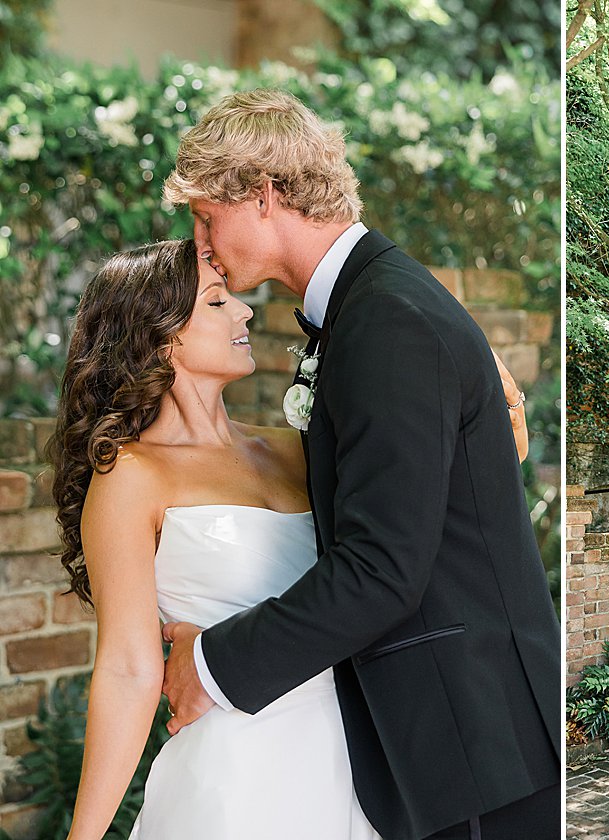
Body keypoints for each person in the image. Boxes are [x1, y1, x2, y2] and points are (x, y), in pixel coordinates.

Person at [158, 89, 561, 840]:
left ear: (264, 195)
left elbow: (382, 567)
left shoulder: (386, 319)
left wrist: (212, 666)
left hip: (475, 747)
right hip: (455, 744)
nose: (201, 243)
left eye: (207, 218)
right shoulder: (370, 308)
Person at [48, 241, 532, 840]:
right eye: (217, 302)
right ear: (159, 334)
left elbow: (409, 524)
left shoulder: (294, 449)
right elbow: (128, 670)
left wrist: (492, 395)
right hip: (235, 782)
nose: (245, 311)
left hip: (358, 770)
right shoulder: (129, 475)